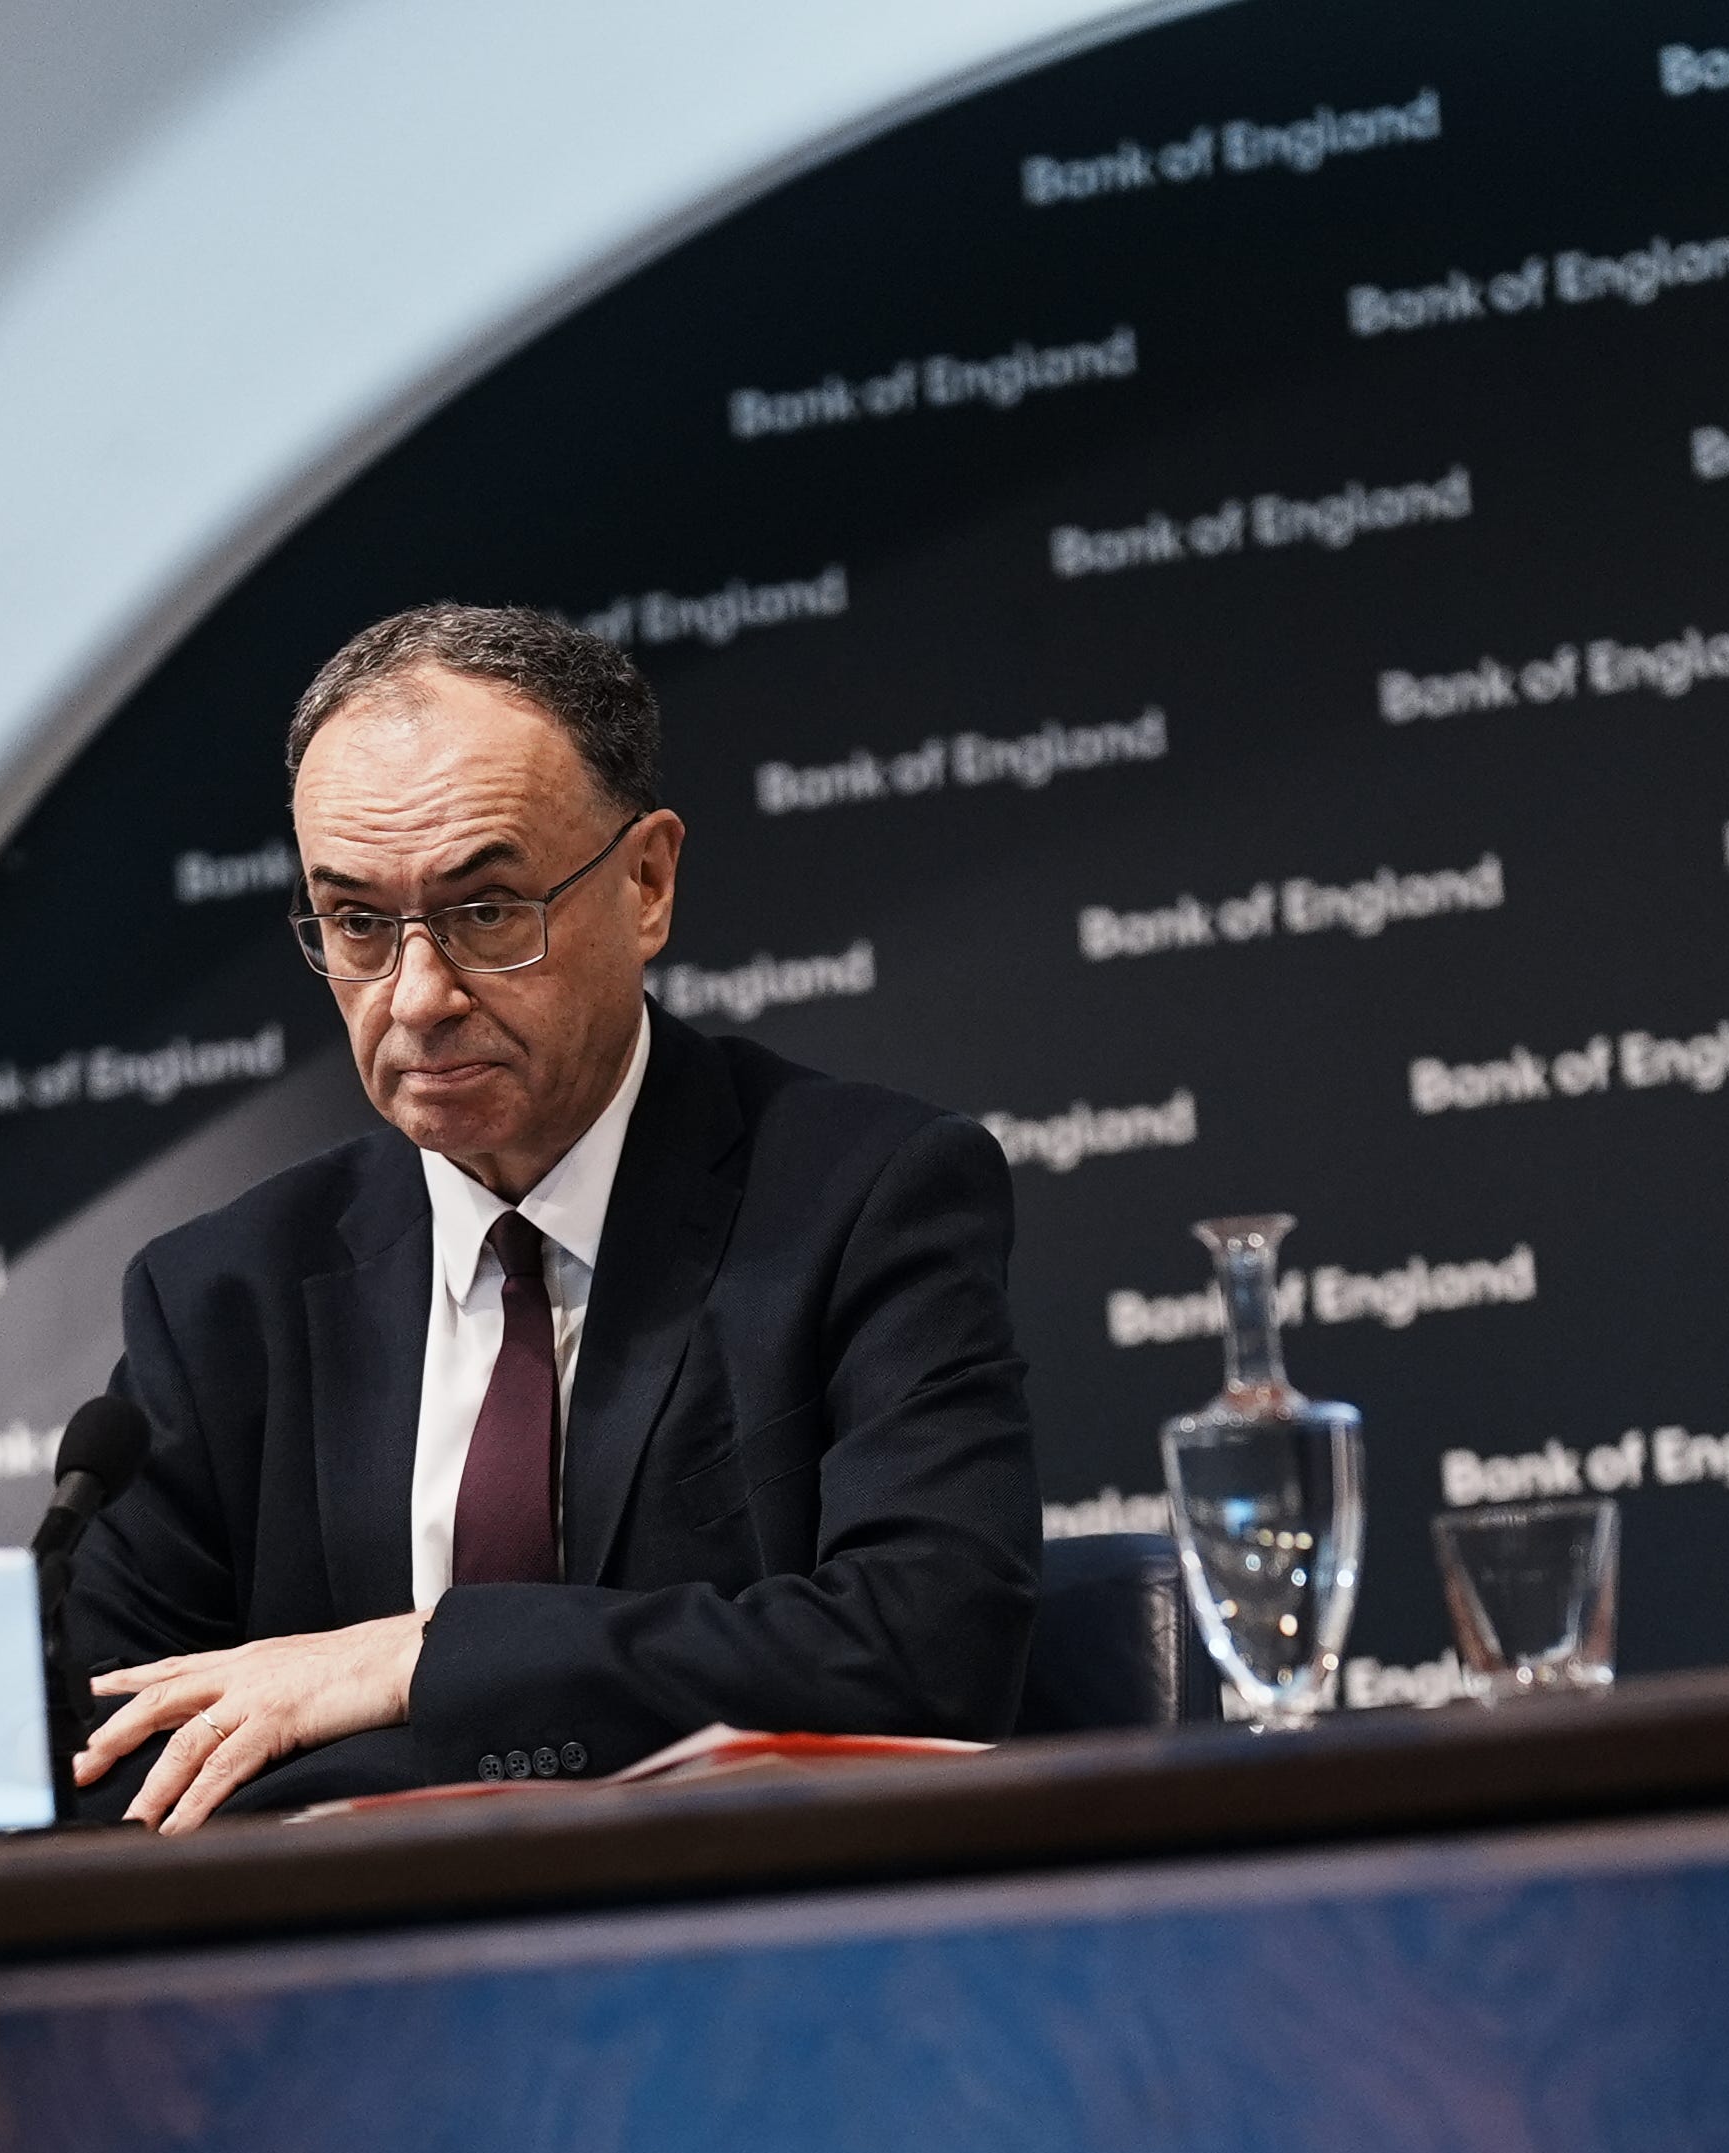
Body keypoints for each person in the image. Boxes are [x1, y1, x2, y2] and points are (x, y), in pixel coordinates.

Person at [64, 603, 1037, 1832]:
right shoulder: (218, 1299)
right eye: (358, 922)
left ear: (646, 884)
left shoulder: (864, 1198)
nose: (417, 997)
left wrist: (419, 1657)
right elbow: (106, 1759)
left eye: (485, 912)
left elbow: (926, 1650)